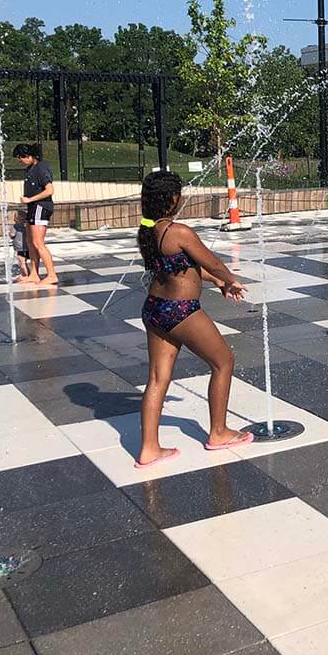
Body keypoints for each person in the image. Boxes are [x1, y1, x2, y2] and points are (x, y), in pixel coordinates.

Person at [135, 170, 252, 468]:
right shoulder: (180, 232)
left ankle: (149, 448)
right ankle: (219, 432)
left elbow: (182, 268)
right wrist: (230, 277)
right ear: (171, 198)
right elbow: (209, 260)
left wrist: (217, 282)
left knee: (157, 379)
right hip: (180, 310)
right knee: (223, 361)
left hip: (154, 308)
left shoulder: (149, 231)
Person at [14, 144, 59, 285]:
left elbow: (49, 190)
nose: (19, 161)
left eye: (20, 158)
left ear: (29, 156)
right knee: (31, 243)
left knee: (38, 242)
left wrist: (30, 200)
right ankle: (34, 274)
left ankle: (52, 275)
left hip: (41, 207)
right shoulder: (30, 169)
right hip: (33, 208)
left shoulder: (41, 167)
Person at [8, 212, 30, 280]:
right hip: (27, 247)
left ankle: (26, 276)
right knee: (24, 262)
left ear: (16, 219)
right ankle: (26, 274)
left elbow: (12, 235)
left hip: (20, 248)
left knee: (21, 262)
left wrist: (8, 233)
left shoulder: (15, 226)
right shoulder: (26, 226)